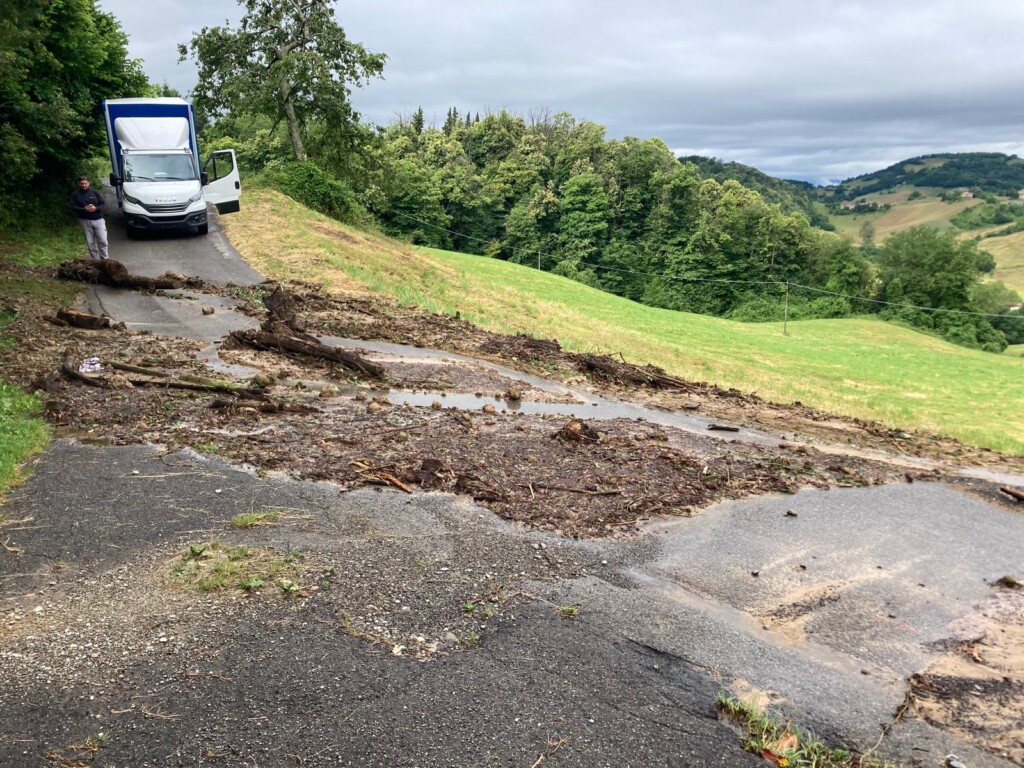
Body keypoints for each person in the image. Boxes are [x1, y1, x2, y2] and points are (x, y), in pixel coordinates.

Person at [69, 175, 109, 261]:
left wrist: (95, 208)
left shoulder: (95, 192)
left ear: (89, 183)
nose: (84, 185)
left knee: (103, 241)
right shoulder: (75, 194)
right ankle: (95, 261)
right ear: (79, 184)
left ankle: (105, 260)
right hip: (85, 221)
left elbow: (104, 205)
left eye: (85, 183)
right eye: (82, 183)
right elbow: (72, 206)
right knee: (90, 242)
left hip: (98, 220)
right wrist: (83, 209)